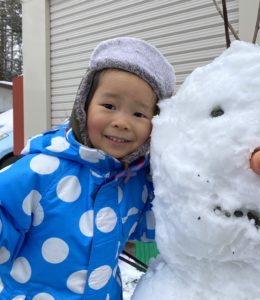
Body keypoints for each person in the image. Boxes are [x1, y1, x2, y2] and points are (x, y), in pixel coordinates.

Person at [0, 37, 175, 299]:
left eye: (139, 114)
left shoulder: (134, 181)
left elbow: (161, 226)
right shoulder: (42, 170)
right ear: (84, 106)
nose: (122, 122)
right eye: (109, 106)